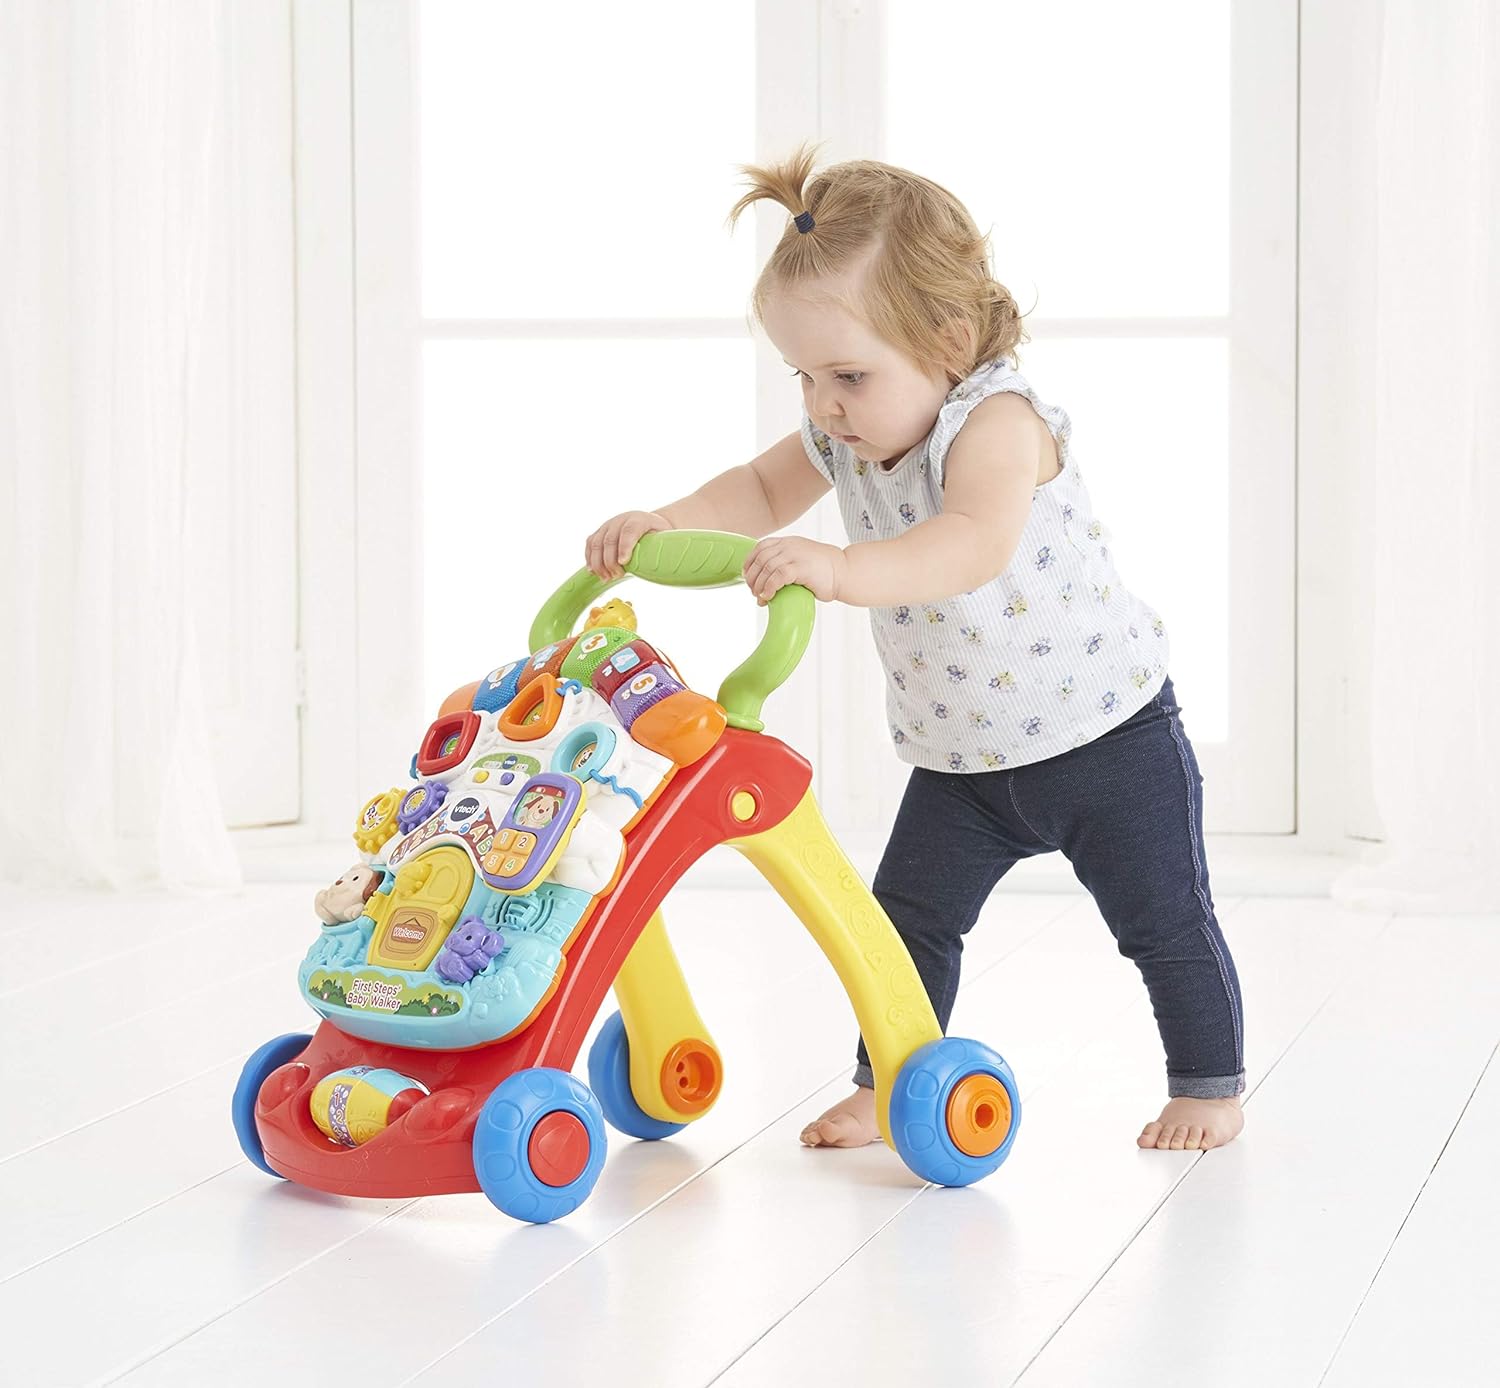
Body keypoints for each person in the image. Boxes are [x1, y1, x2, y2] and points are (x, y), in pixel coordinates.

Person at [584, 146, 1245, 1152]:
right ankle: (889, 1075)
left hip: (1107, 738)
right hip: (963, 758)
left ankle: (1208, 1085)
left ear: (950, 339)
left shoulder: (998, 423)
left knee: (1161, 920)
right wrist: (662, 523)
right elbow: (756, 491)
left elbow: (972, 542)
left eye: (849, 376)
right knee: (901, 922)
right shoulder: (840, 436)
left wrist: (841, 568)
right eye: (805, 376)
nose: (823, 404)